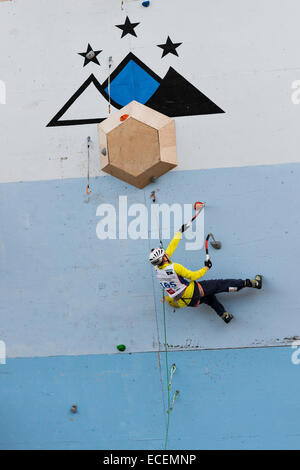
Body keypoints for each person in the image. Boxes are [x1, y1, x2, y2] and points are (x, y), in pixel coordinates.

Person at [149, 229, 262, 323]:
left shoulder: (157, 269)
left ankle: (224, 315)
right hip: (193, 291)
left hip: (188, 302)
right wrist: (206, 268)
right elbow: (193, 276)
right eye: (164, 255)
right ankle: (252, 283)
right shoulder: (174, 267)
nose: (166, 254)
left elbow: (170, 249)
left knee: (210, 299)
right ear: (163, 258)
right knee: (220, 284)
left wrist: (179, 232)